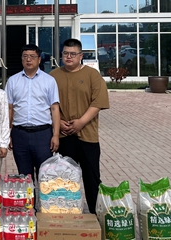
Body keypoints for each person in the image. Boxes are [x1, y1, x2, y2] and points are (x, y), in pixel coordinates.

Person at [50, 38, 110, 213]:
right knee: (64, 179)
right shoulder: (53, 76)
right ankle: (66, 212)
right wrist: (58, 123)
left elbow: (98, 102)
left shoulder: (92, 75)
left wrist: (81, 122)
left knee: (92, 177)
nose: (69, 57)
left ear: (81, 56)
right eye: (65, 53)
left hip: (87, 135)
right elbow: (47, 104)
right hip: (63, 135)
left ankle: (95, 213)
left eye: (73, 54)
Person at [5, 44, 60, 180]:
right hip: (20, 134)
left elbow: (54, 108)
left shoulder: (49, 81)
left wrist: (56, 135)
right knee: (24, 177)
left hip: (43, 135)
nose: (28, 59)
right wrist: (7, 133)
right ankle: (29, 195)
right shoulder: (12, 81)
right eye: (25, 56)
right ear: (21, 59)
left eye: (32, 56)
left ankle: (43, 196)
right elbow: (9, 108)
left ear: (39, 59)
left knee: (45, 176)